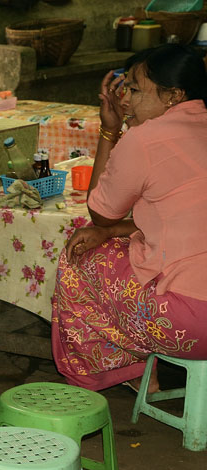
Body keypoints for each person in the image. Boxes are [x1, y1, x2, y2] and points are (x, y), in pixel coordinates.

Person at [52, 44, 207, 391]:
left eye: (135, 90)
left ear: (173, 96)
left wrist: (111, 130)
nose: (126, 100)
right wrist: (113, 232)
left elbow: (101, 213)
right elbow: (182, 216)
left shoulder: (145, 139)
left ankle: (120, 370)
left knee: (80, 254)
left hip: (191, 325)